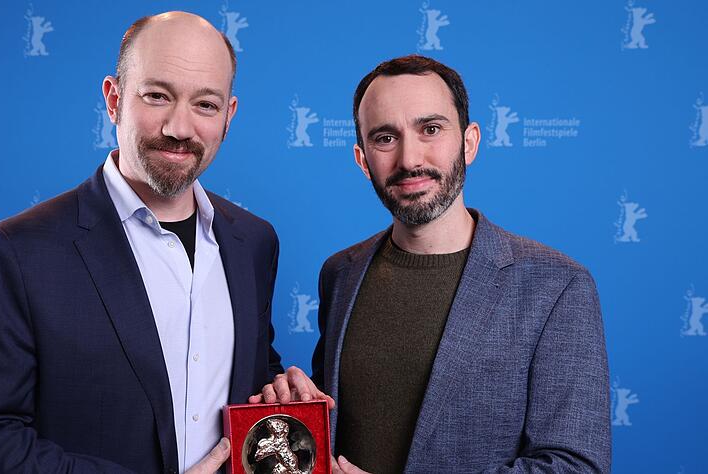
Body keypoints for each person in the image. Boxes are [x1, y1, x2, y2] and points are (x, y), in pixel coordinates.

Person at [0, 12, 283, 473]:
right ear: (114, 99)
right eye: (158, 96)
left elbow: (248, 373)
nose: (180, 127)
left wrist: (280, 389)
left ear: (228, 116)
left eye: (205, 104)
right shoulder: (20, 250)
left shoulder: (253, 242)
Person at [251, 55, 611, 473]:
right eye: (385, 137)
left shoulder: (557, 285)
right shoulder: (340, 273)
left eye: (431, 129)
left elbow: (575, 466)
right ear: (362, 159)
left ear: (469, 142)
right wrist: (296, 415)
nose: (409, 159)